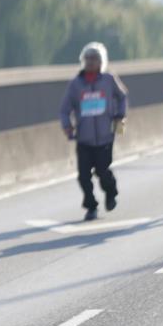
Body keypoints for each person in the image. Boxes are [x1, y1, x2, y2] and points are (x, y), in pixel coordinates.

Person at [59, 42, 128, 221]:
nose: (90, 62)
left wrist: (120, 115)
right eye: (87, 58)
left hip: (105, 136)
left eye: (94, 59)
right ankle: (91, 206)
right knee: (83, 176)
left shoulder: (109, 80)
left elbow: (122, 97)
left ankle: (111, 192)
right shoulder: (76, 84)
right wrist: (67, 125)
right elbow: (64, 109)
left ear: (101, 62)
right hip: (84, 138)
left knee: (102, 171)